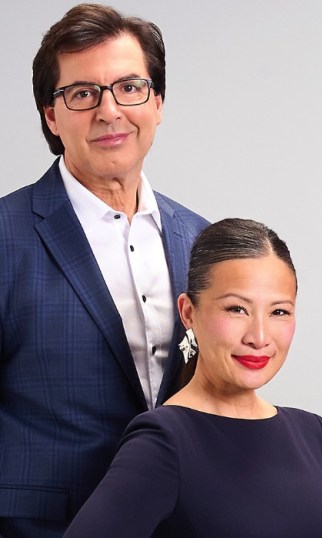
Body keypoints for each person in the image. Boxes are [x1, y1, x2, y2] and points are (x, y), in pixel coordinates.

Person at [0, 4, 208, 535]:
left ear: (157, 102)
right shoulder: (6, 234)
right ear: (51, 115)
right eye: (82, 93)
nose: (109, 111)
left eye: (130, 87)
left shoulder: (203, 241)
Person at [65, 218, 322, 537]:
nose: (259, 336)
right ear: (188, 313)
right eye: (236, 309)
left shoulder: (313, 434)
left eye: (279, 312)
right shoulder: (164, 440)